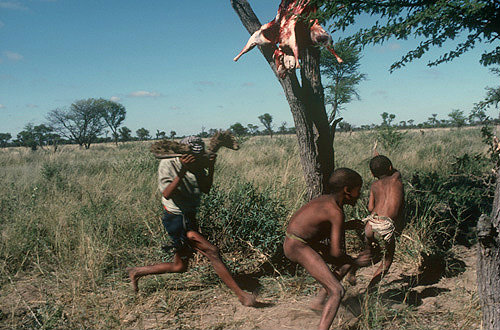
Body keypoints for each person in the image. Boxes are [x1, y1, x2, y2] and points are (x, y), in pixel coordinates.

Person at [127, 136, 256, 307]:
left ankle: (136, 272)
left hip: (189, 216)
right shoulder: (169, 163)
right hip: (176, 218)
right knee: (212, 251)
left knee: (179, 266)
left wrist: (210, 165)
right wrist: (182, 171)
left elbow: (206, 188)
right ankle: (242, 295)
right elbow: (166, 193)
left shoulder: (196, 162)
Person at [283, 168, 367, 330]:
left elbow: (318, 225)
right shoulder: (336, 212)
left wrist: (347, 226)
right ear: (347, 191)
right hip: (298, 246)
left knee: (345, 264)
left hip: (298, 242)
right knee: (337, 291)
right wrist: (356, 261)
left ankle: (319, 302)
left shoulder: (326, 200)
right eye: (359, 189)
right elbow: (336, 253)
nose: (360, 194)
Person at [346, 152, 405, 290]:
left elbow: (371, 207)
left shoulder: (374, 185)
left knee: (370, 254)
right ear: (391, 168)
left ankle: (353, 268)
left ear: (372, 174)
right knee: (387, 260)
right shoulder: (397, 180)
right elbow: (397, 173)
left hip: (371, 225)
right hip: (385, 226)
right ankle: (370, 290)